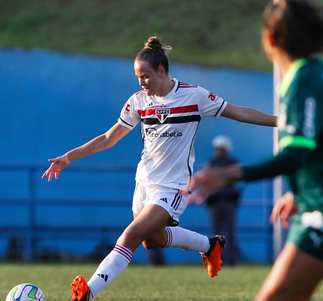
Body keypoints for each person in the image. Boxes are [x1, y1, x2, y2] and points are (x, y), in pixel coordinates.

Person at [42, 36, 276, 301]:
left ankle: (88, 292)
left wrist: (281, 122)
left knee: (130, 235)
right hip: (143, 182)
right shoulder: (138, 102)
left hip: (173, 186)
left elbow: (240, 112)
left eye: (145, 76)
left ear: (162, 71)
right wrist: (69, 157)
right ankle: (210, 245)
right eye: (137, 77)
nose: (141, 82)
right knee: (150, 241)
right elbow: (109, 137)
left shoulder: (194, 96)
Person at [187, 1, 323, 300]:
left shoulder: (303, 82)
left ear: (270, 39)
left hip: (322, 213)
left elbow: (294, 156)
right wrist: (302, 189)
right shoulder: (318, 73)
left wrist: (228, 175)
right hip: (315, 204)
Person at [204, 135, 240, 266]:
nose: (217, 151)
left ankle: (232, 259)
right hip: (215, 202)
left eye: (220, 148)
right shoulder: (212, 163)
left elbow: (237, 179)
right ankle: (217, 259)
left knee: (230, 231)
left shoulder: (232, 163)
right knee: (216, 233)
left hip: (229, 202)